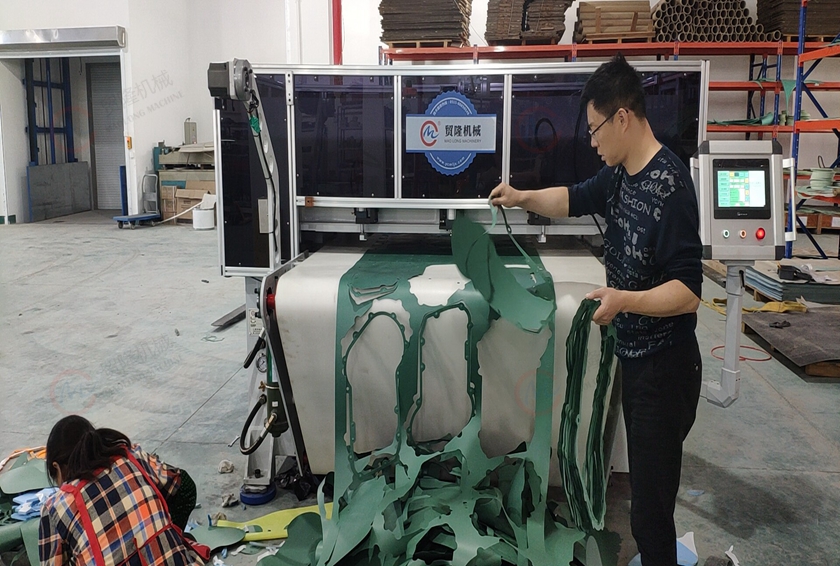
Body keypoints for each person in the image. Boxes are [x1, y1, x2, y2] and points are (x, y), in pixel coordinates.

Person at [490, 53, 703, 566]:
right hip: (636, 357)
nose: (592, 141)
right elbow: (573, 198)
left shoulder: (671, 186)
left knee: (650, 508)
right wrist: (520, 197)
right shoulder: (621, 175)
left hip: (665, 368)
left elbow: (689, 290)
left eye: (595, 129)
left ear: (622, 117)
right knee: (647, 497)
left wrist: (624, 300)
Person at [39, 415, 204, 566]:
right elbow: (186, 486)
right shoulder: (133, 457)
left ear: (57, 468)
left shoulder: (55, 509)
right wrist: (169, 534)